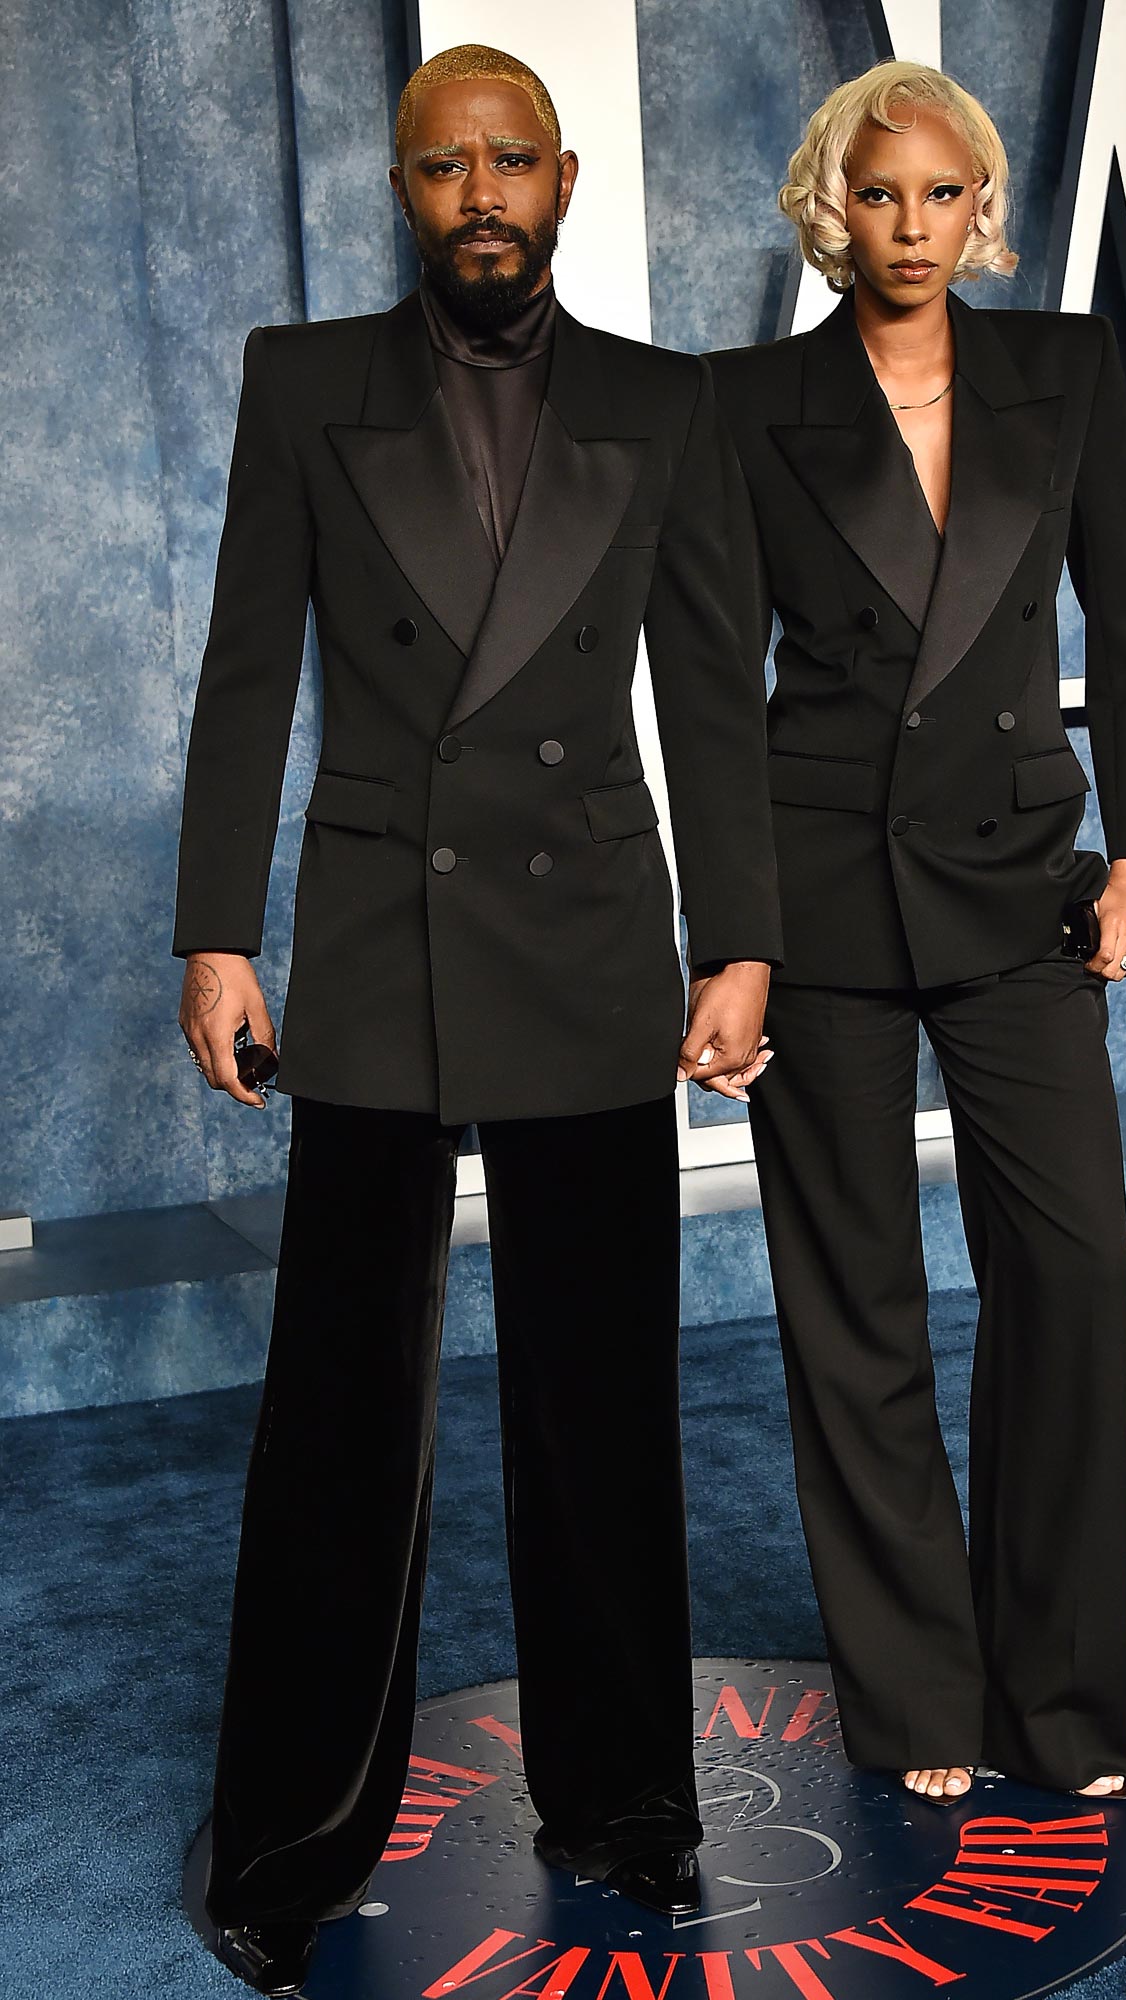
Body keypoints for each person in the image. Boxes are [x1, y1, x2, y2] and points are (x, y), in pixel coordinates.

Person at [174, 43, 780, 1996]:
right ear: (405, 189)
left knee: (598, 1397)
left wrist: (740, 941)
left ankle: (627, 1807)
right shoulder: (301, 380)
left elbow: (712, 690)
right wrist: (215, 933)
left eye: (511, 159)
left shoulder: (665, 402)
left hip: (588, 931)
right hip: (376, 933)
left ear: (566, 177)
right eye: (446, 165)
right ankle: (290, 1833)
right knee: (341, 1409)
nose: (481, 192)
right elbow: (247, 667)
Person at [707, 61, 1126, 1815]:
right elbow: (710, 689)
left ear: (980, 207)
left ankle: (1055, 1699)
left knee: (1071, 1275)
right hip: (820, 892)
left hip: (1020, 878)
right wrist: (731, 937)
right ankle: (917, 1697)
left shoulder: (1068, 368)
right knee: (856, 1308)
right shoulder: (743, 401)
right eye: (877, 192)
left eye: (941, 193)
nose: (909, 225)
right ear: (830, 206)